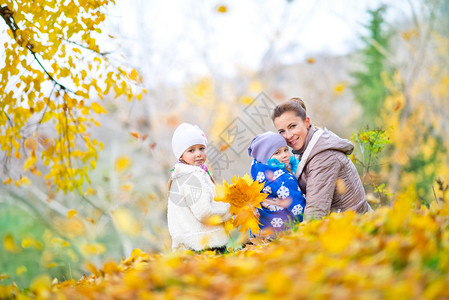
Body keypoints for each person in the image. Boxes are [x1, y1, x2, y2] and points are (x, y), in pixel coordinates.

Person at [271, 98, 372, 220]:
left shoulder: (324, 157)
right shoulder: (304, 148)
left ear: (306, 122)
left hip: (353, 227)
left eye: (292, 126)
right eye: (282, 131)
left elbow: (316, 213)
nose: (288, 136)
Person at [167, 123, 231, 253]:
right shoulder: (192, 178)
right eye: (191, 150)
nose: (198, 154)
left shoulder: (184, 175)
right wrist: (230, 209)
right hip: (204, 244)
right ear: (181, 155)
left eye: (201, 148)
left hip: (191, 244)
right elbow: (204, 212)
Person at [247, 131, 306, 237]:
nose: (284, 156)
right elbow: (296, 205)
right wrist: (309, 220)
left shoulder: (258, 173)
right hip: (282, 231)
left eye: (285, 150)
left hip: (262, 231)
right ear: (266, 158)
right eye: (277, 153)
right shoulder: (282, 179)